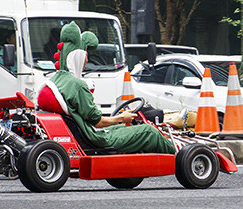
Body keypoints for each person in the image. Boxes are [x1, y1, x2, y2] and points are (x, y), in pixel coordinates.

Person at [44, 25, 175, 154]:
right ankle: (179, 156)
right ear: (78, 57)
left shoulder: (55, 81)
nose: (87, 60)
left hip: (84, 134)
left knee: (120, 127)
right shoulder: (77, 85)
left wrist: (119, 118)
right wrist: (122, 118)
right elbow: (98, 122)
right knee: (149, 131)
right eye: (86, 56)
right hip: (96, 138)